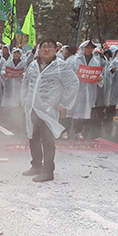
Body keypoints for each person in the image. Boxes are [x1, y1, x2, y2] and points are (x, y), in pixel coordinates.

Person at [20, 39, 80, 182]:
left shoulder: (61, 66)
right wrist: (24, 100)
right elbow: (25, 82)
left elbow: (73, 83)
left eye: (50, 47)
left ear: (56, 50)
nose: (46, 49)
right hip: (32, 108)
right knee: (33, 137)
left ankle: (48, 171)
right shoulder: (33, 65)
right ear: (39, 50)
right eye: (44, 47)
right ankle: (36, 165)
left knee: (47, 140)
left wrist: (63, 103)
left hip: (48, 109)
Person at [66, 41, 104, 139]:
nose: (89, 50)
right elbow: (69, 73)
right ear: (83, 48)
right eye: (87, 48)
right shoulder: (75, 60)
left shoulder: (95, 61)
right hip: (76, 90)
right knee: (70, 110)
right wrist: (75, 77)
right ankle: (65, 131)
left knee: (84, 112)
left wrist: (100, 78)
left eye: (91, 48)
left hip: (88, 90)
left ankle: (78, 132)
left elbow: (98, 74)